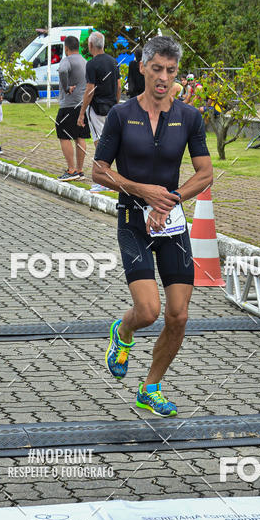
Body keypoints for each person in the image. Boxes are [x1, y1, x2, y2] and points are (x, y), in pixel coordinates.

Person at [93, 35, 213, 418]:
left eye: (171, 71)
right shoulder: (120, 114)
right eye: (157, 69)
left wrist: (171, 199)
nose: (163, 78)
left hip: (172, 223)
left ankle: (151, 387)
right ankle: (123, 332)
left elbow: (205, 173)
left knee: (178, 315)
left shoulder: (189, 117)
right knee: (147, 311)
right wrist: (141, 190)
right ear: (143, 67)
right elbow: (97, 171)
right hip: (133, 220)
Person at [78, 31, 121, 192]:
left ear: (90, 46)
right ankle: (109, 176)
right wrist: (116, 104)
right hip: (111, 107)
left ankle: (104, 179)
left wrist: (82, 112)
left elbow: (90, 90)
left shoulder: (91, 64)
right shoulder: (113, 62)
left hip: (97, 108)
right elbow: (118, 85)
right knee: (109, 141)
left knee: (100, 143)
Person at [56, 36, 90, 180]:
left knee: (63, 134)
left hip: (69, 104)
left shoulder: (67, 60)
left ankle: (71, 170)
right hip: (82, 104)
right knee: (79, 136)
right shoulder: (85, 61)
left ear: (66, 48)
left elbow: (63, 71)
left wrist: (66, 87)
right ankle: (80, 170)